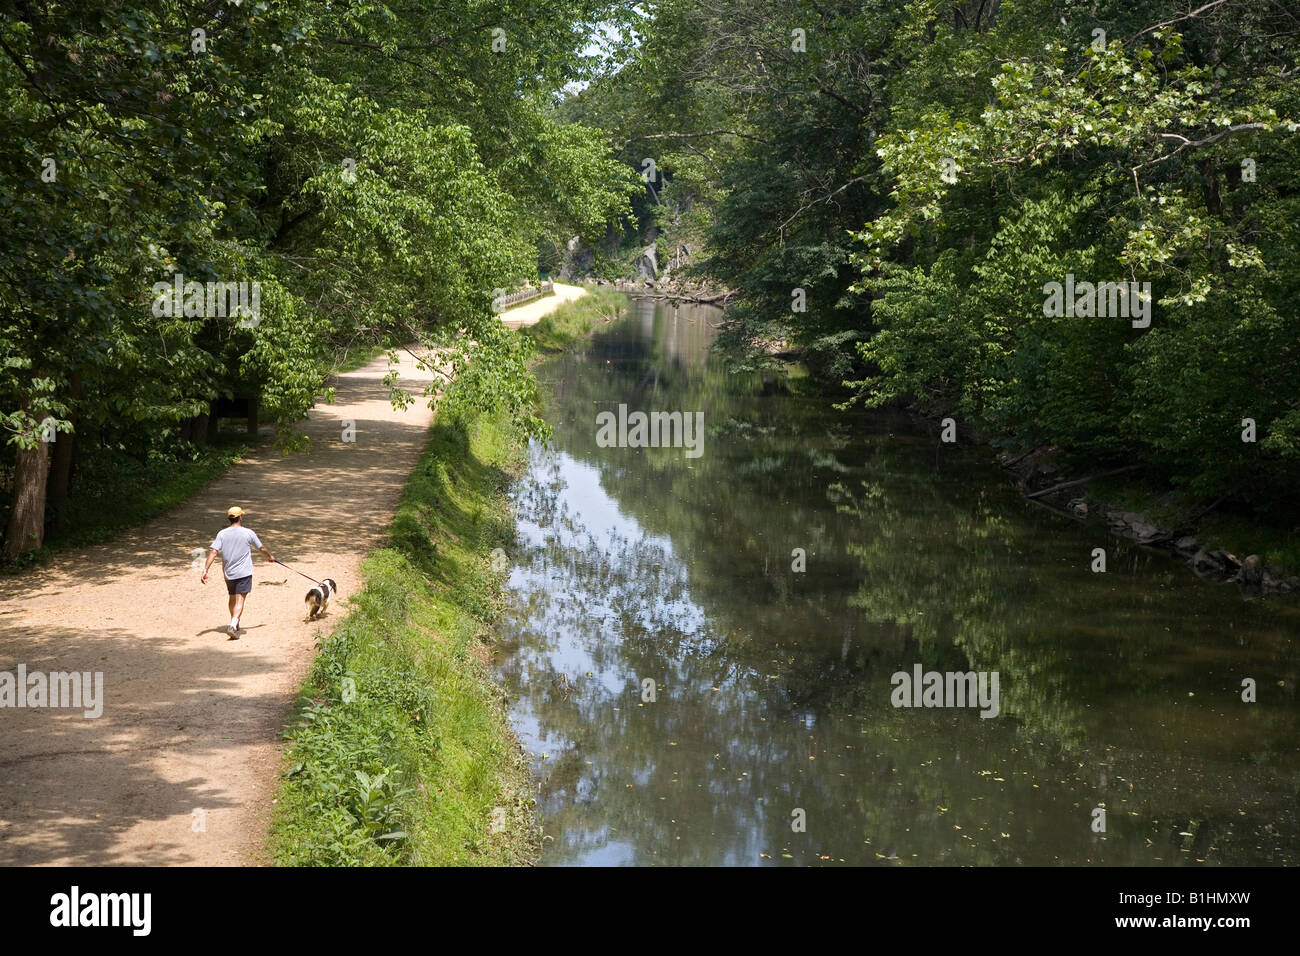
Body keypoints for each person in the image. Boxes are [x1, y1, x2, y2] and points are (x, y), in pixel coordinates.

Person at [201, 506, 274, 638]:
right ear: (240, 517)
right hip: (244, 572)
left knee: (232, 597)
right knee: (240, 599)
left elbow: (213, 551)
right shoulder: (248, 533)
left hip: (229, 572)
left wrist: (205, 570)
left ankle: (234, 620)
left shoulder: (222, 534)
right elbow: (261, 547)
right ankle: (233, 624)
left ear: (229, 518)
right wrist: (269, 556)